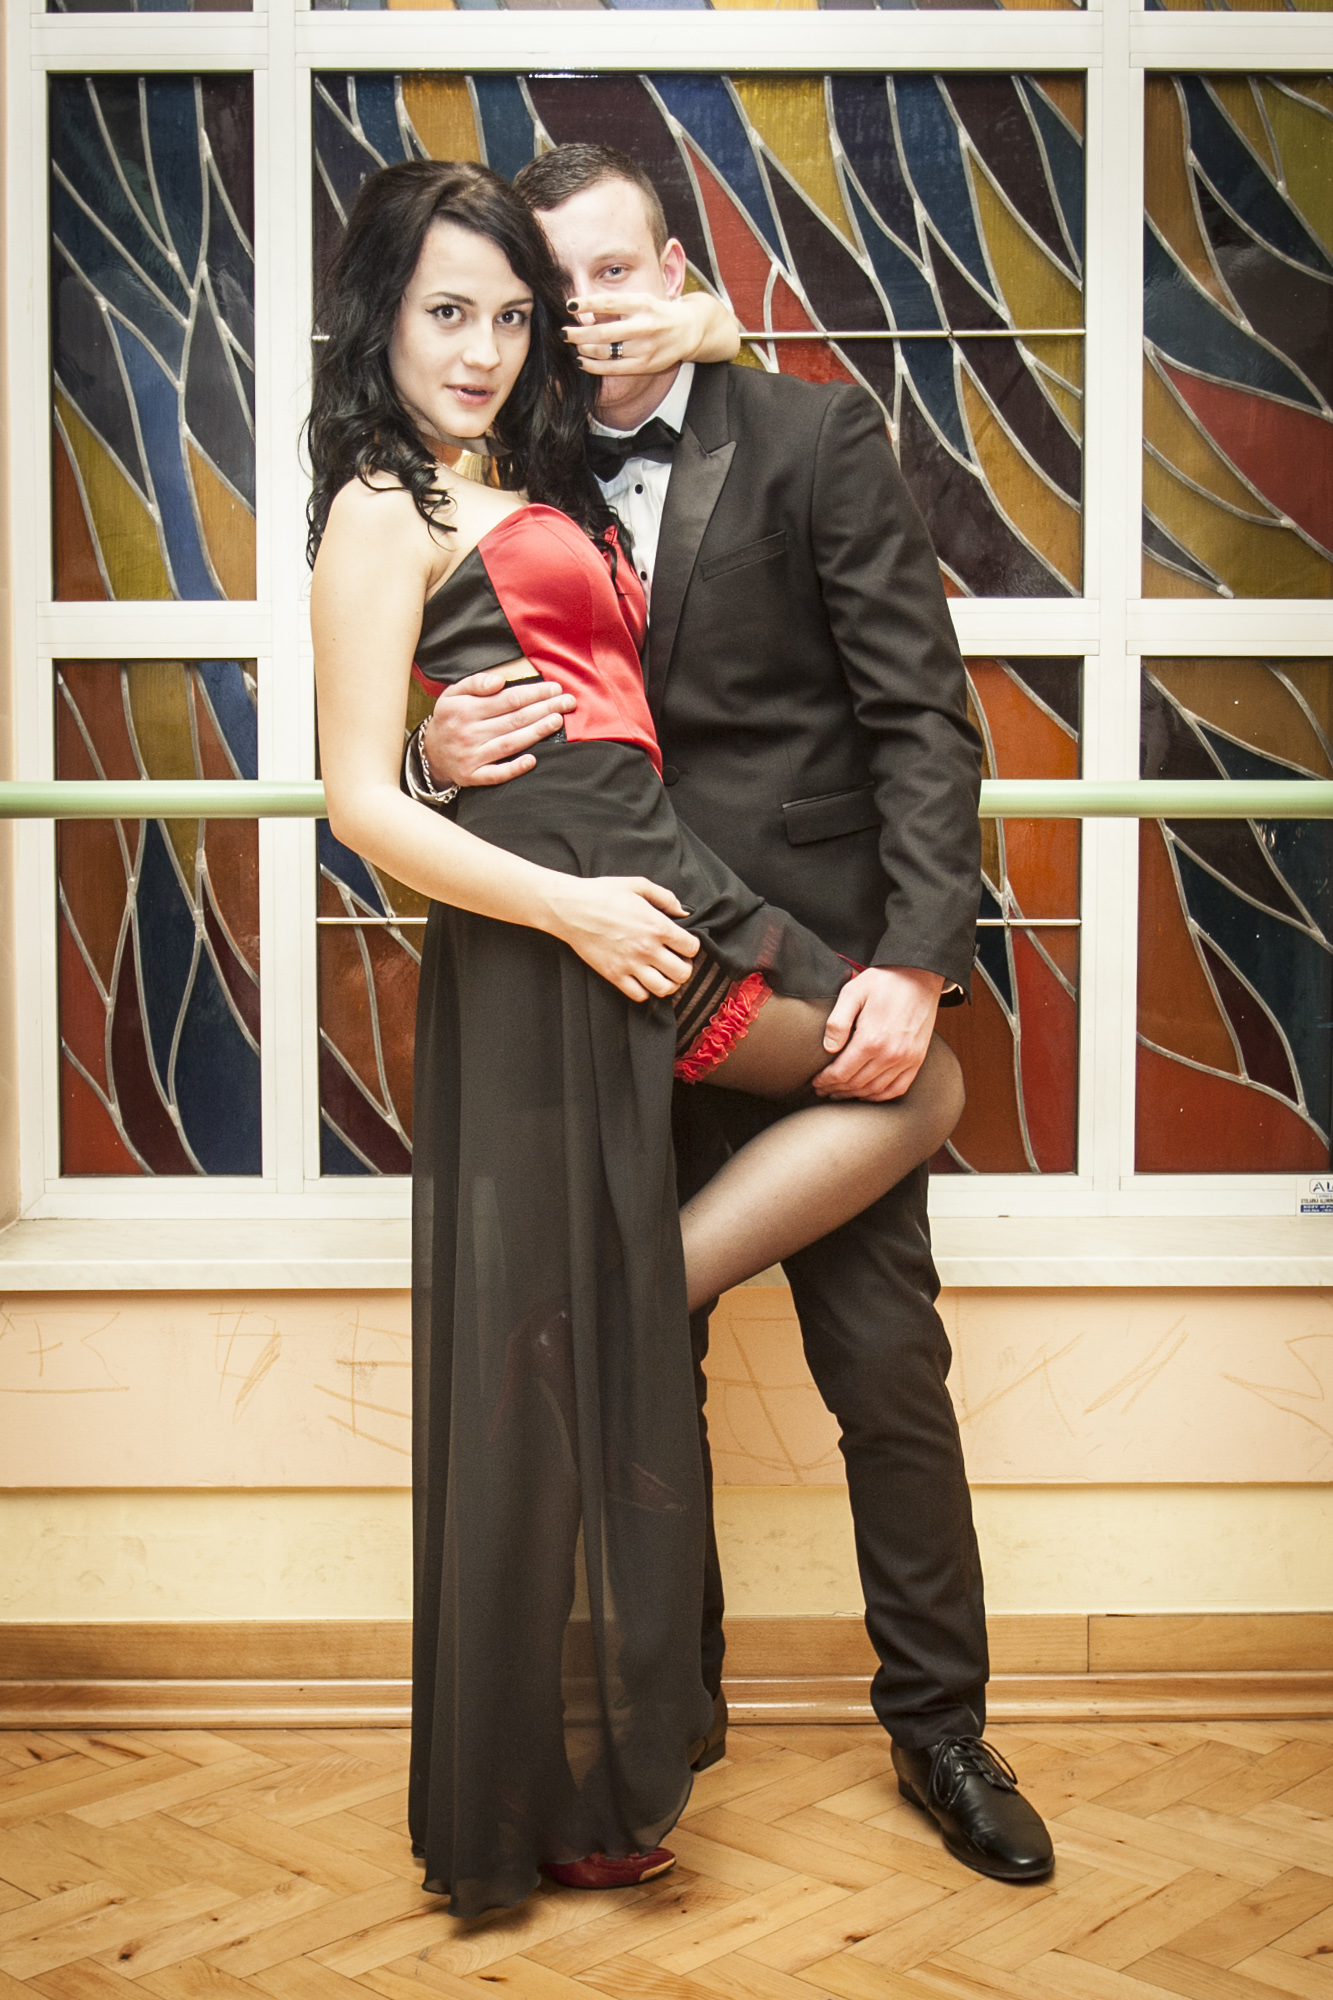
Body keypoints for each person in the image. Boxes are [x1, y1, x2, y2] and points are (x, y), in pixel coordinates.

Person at [309, 160, 965, 1918]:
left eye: (521, 311)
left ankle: (942, 1732)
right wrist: (460, 782)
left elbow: (918, 714)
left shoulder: (661, 448)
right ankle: (622, 1752)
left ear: (663, 276)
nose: (498, 343)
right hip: (591, 924)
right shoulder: (406, 492)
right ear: (383, 316)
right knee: (633, 1390)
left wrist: (908, 953)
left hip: (731, 914)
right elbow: (362, 781)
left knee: (885, 1344)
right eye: (456, 310)